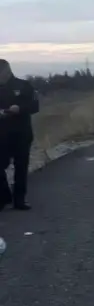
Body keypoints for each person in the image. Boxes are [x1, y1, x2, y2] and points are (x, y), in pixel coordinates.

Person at [0, 59, 40, 210]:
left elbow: (35, 106)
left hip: (21, 133)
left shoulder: (24, 86)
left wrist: (20, 108)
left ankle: (20, 199)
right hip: (1, 134)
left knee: (21, 167)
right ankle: (4, 196)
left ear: (7, 71)